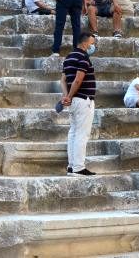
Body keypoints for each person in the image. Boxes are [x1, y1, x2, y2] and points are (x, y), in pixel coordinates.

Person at [60, 32, 97, 176]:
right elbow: (78, 79)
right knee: (82, 134)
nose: (92, 46)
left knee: (73, 132)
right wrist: (68, 96)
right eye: (92, 43)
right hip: (83, 100)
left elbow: (63, 80)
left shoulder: (69, 57)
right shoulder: (83, 56)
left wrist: (66, 97)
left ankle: (71, 166)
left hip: (74, 101)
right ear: (85, 43)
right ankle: (79, 167)